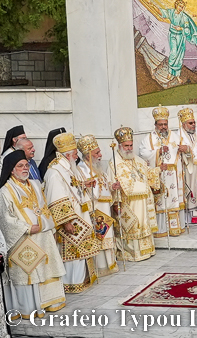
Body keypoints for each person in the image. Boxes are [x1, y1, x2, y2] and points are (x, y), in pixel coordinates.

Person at [0, 150, 66, 317]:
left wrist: (46, 225)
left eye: (26, 165)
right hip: (23, 239)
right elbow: (6, 219)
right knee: (28, 272)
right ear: (11, 170)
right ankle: (29, 308)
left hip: (42, 235)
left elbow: (44, 207)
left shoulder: (36, 184)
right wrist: (28, 228)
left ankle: (50, 302)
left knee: (47, 268)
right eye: (20, 166)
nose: (24, 168)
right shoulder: (5, 191)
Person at [43, 133, 102, 294]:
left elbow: (71, 187)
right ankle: (71, 283)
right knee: (73, 252)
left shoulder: (68, 167)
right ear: (67, 155)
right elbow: (56, 197)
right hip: (70, 219)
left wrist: (84, 184)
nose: (77, 156)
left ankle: (81, 280)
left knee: (81, 251)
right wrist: (66, 221)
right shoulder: (55, 172)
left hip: (79, 215)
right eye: (75, 153)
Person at [108, 127, 158, 261]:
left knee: (144, 223)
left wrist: (157, 170)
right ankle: (132, 253)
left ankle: (147, 250)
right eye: (126, 146)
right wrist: (116, 201)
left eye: (131, 145)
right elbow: (112, 184)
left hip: (143, 201)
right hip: (129, 203)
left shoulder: (138, 160)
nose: (129, 148)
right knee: (132, 226)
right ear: (119, 146)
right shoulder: (114, 163)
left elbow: (147, 174)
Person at [137, 105, 184, 237]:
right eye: (160, 124)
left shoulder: (175, 136)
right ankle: (161, 229)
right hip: (159, 174)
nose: (163, 127)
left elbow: (184, 153)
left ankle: (174, 228)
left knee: (173, 200)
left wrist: (184, 150)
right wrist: (157, 152)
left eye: (165, 124)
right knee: (161, 201)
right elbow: (143, 154)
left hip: (174, 175)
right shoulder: (148, 139)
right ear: (155, 124)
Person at [76, 135, 118, 278]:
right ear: (88, 155)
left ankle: (110, 263)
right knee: (100, 236)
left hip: (105, 208)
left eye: (99, 152)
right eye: (96, 153)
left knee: (108, 235)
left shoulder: (98, 168)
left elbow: (104, 186)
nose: (100, 155)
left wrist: (112, 186)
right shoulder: (81, 170)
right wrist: (88, 186)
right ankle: (100, 267)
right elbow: (82, 191)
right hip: (96, 210)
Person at [175, 108, 197, 225]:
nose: (193, 125)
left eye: (194, 122)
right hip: (188, 169)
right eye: (191, 123)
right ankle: (191, 217)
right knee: (191, 191)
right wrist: (185, 150)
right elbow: (176, 151)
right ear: (184, 124)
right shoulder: (178, 136)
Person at [161, 0, 197, 80]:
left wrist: (181, 29)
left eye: (182, 7)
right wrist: (153, 5)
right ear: (176, 5)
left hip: (180, 36)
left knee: (179, 56)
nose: (181, 8)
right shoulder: (171, 12)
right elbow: (162, 12)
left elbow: (187, 29)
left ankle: (177, 75)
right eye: (180, 6)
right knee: (173, 52)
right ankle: (170, 72)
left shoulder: (184, 17)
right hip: (172, 35)